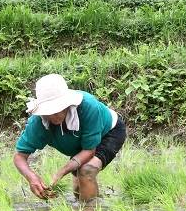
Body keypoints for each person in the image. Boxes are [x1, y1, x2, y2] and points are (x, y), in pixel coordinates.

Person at [13, 74, 126, 202]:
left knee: (86, 171)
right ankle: (91, 207)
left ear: (67, 104)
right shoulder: (38, 122)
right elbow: (19, 156)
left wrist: (62, 172)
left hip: (109, 132)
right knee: (79, 188)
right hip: (81, 143)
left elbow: (89, 150)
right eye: (49, 111)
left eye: (58, 109)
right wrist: (31, 178)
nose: (54, 115)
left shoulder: (88, 107)